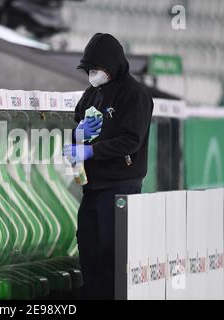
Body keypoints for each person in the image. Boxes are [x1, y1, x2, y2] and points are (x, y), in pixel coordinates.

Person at [63, 33, 154, 299]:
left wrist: (92, 150)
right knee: (89, 252)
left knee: (113, 260)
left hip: (120, 188)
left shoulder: (136, 95)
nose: (93, 74)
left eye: (98, 69)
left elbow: (130, 142)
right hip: (92, 189)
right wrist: (78, 136)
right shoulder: (92, 94)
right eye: (89, 70)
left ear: (113, 65)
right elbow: (78, 124)